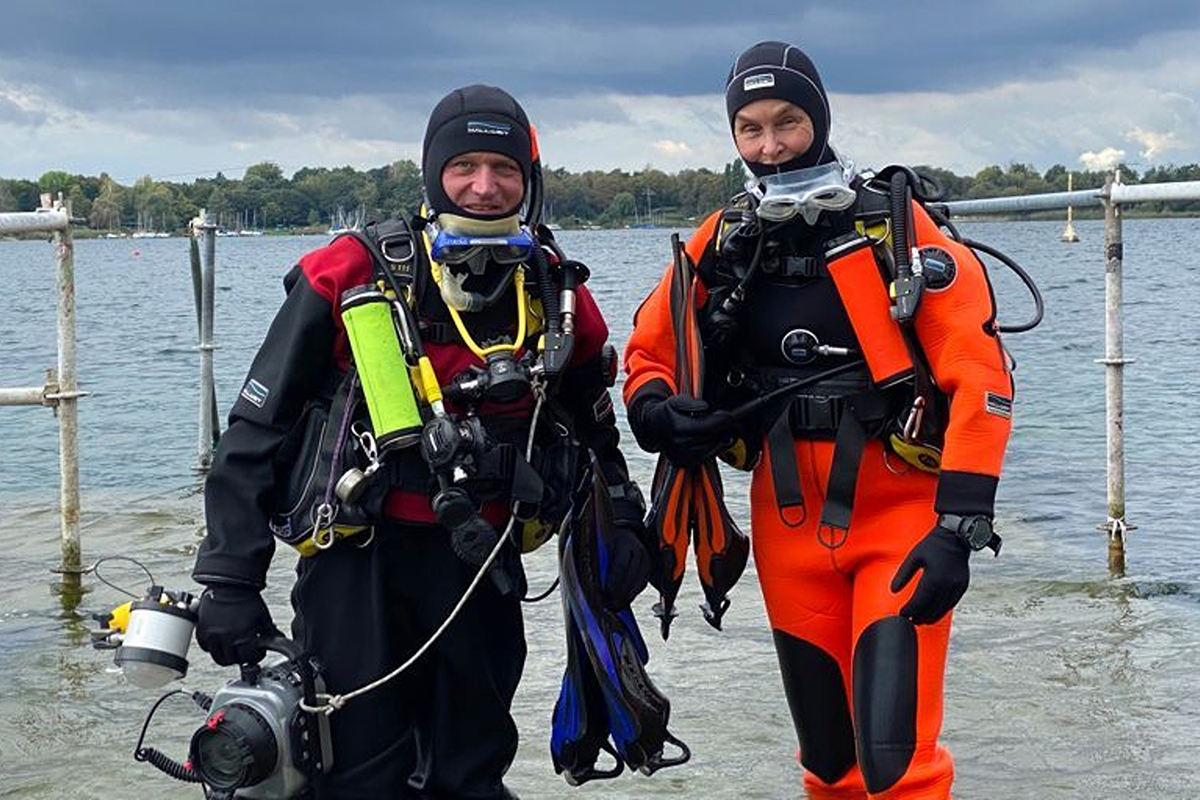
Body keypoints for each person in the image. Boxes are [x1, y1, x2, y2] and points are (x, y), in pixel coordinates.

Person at [192, 84, 651, 799]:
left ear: (529, 180)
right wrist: (229, 579)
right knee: (355, 770)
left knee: (474, 764)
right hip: (359, 565)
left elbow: (594, 425)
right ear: (431, 172)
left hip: (483, 568)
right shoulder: (349, 272)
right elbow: (256, 430)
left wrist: (622, 514)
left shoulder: (556, 290)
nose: (484, 185)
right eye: (463, 165)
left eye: (504, 170)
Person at [623, 41, 1014, 800]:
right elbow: (649, 352)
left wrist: (959, 528)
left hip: (901, 519)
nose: (771, 146)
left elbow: (982, 382)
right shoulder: (725, 239)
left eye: (789, 122)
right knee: (829, 765)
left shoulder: (897, 233)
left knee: (899, 765)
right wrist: (657, 413)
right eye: (752, 129)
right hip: (788, 529)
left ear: (821, 118)